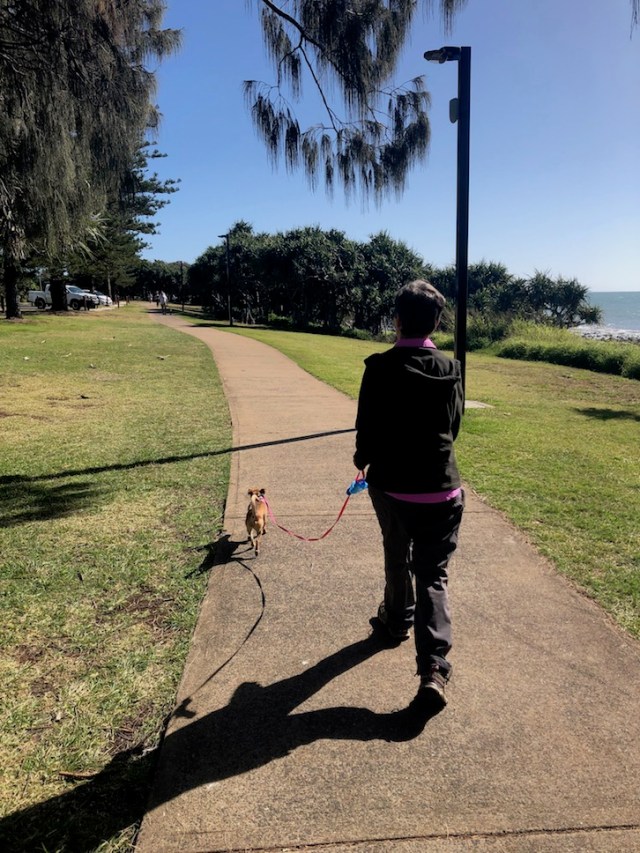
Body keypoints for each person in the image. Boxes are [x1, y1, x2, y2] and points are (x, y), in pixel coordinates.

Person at [353, 279, 464, 712]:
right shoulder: (450, 368)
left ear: (396, 320)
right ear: (436, 322)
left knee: (397, 554)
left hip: (393, 486)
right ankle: (433, 668)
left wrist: (362, 459)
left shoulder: (379, 367)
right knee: (433, 574)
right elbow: (453, 427)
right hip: (442, 488)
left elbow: (367, 427)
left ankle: (396, 620)